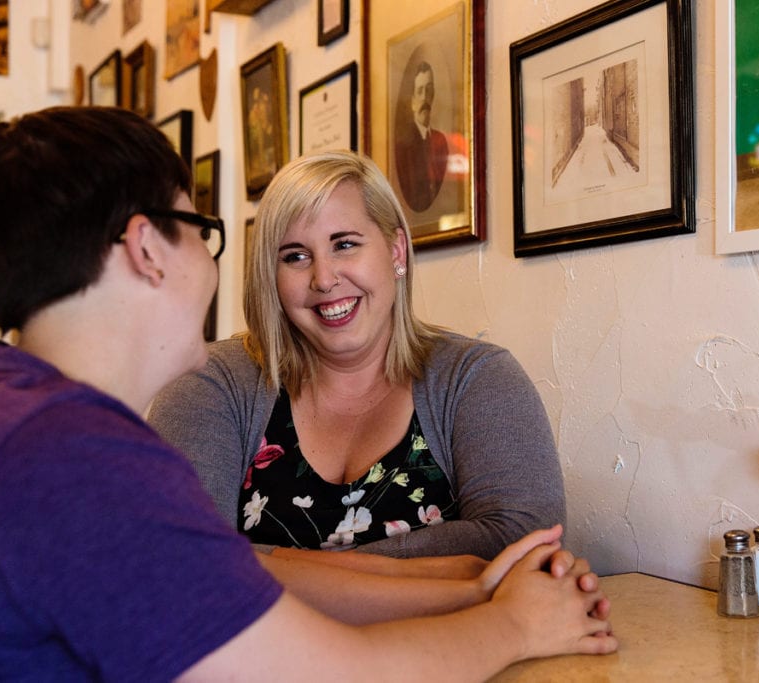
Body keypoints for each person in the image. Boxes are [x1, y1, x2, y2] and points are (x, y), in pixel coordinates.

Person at [0, 106, 616, 679]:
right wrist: (517, 625)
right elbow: (336, 672)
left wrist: (467, 582)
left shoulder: (0, 415)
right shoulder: (83, 465)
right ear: (148, 248)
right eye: (200, 230)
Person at [148, 149, 566, 561]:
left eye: (344, 245)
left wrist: (272, 566)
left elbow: (525, 543)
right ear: (270, 276)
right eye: (295, 256)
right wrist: (447, 570)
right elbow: (187, 565)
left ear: (396, 250)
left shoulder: (476, 378)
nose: (324, 279)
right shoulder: (210, 384)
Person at [394, 60, 449, 212]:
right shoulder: (402, 146)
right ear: (412, 101)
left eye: (429, 90)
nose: (425, 98)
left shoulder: (441, 141)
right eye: (420, 91)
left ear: (433, 95)